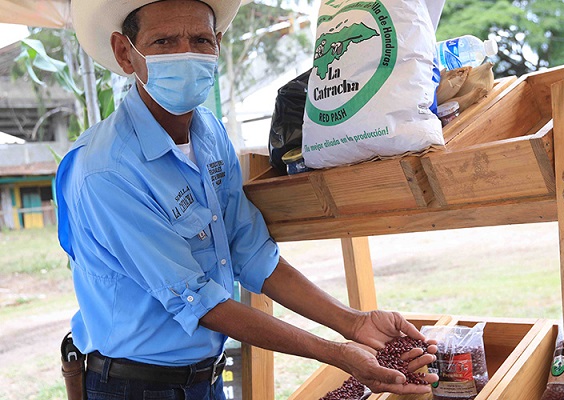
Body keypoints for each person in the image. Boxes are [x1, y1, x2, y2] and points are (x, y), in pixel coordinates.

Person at [57, 0, 438, 399]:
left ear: (219, 45)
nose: (186, 53)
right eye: (164, 41)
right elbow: (201, 301)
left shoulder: (209, 134)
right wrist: (337, 353)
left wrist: (354, 323)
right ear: (125, 53)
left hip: (204, 380)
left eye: (201, 39)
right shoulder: (106, 170)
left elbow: (251, 252)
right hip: (132, 386)